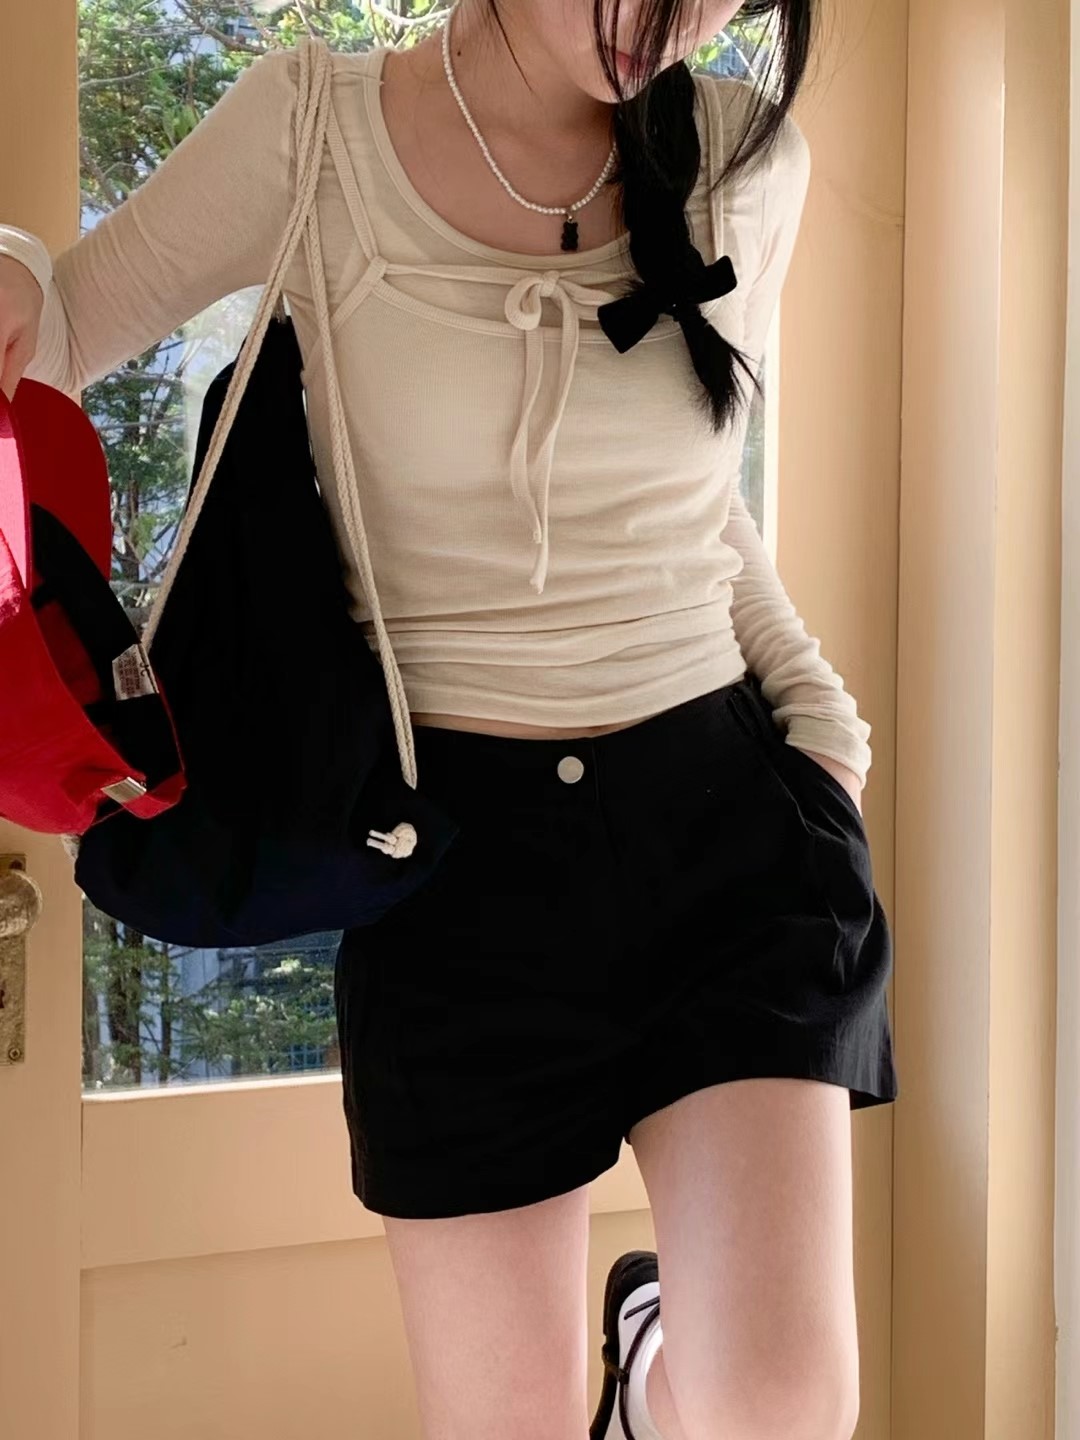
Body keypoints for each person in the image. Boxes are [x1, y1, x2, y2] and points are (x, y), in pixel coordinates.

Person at [0, 2, 898, 1436]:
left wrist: (822, 730)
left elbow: (692, 495)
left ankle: (650, 1363)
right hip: (454, 855)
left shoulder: (743, 156)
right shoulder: (310, 128)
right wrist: (12, 263)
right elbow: (54, 332)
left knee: (778, 1408)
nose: (681, 19)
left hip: (722, 825)